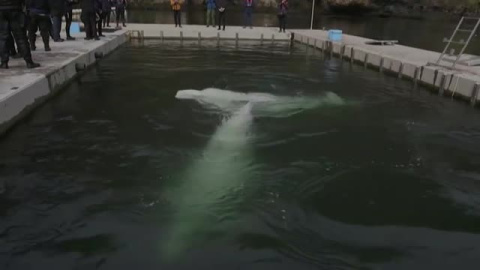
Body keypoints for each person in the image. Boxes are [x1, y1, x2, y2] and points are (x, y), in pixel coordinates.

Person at [0, 0, 40, 69]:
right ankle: (29, 62)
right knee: (21, 37)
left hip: (1, 10)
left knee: (3, 38)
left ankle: (4, 63)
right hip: (15, 9)